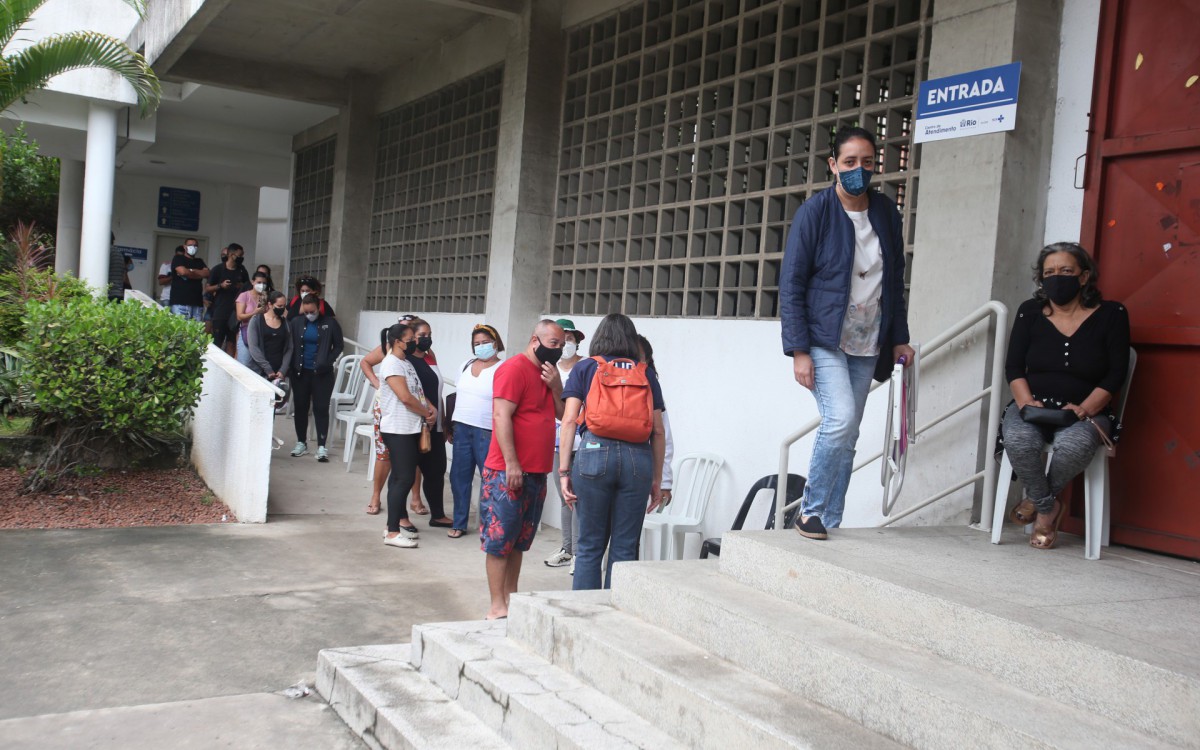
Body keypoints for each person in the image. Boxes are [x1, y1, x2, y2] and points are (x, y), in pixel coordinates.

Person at [780, 126, 914, 541]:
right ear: (833, 165)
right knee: (838, 420)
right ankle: (810, 510)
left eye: (868, 162)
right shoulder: (815, 212)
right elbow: (792, 283)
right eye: (850, 161)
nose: (859, 169)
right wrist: (799, 349)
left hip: (868, 340)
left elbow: (895, 280)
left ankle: (828, 519)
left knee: (850, 430)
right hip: (824, 339)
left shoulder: (886, 213)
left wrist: (899, 337)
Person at [1001, 242, 1130, 550]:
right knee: (1020, 440)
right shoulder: (1029, 312)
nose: (1057, 277)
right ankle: (1048, 507)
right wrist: (1025, 403)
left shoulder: (1113, 314)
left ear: (1084, 277)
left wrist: (1084, 409)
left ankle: (1037, 505)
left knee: (1073, 444)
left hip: (1087, 411)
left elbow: (1116, 374)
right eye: (1049, 272)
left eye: (1066, 271)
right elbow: (1014, 366)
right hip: (1032, 407)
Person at [559, 314, 666, 590]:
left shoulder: (585, 368)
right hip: (638, 459)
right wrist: (657, 479)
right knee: (625, 547)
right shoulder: (645, 372)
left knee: (589, 545)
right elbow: (658, 431)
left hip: (594, 453)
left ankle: (584, 617)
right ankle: (616, 616)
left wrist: (563, 471)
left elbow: (569, 420)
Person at [481, 320, 565, 619]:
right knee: (499, 539)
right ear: (535, 340)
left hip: (536, 471)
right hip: (507, 472)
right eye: (554, 343)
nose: (558, 350)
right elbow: (501, 416)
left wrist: (557, 386)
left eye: (561, 346)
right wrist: (512, 463)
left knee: (519, 540)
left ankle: (511, 597)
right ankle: (496, 604)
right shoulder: (514, 369)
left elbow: (561, 412)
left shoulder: (547, 373)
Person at [378, 323, 438, 549]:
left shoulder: (405, 363)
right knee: (404, 478)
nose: (414, 341)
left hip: (410, 427)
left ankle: (392, 525)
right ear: (397, 342)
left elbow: (416, 392)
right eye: (410, 338)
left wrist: (429, 409)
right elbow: (405, 397)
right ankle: (392, 532)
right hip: (397, 428)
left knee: (399, 479)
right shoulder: (392, 363)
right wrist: (425, 413)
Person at [448, 324, 504, 538]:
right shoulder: (465, 365)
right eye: (477, 344)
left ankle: (488, 525)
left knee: (488, 479)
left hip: (487, 430)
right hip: (461, 426)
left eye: (485, 343)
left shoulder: (503, 368)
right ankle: (459, 522)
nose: (481, 347)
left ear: (496, 343)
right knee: (458, 477)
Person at [544, 318, 586, 569]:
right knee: (564, 497)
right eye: (561, 340)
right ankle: (567, 549)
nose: (566, 344)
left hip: (581, 443)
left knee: (578, 498)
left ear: (577, 341)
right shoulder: (549, 368)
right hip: (555, 442)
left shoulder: (586, 367)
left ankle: (581, 553)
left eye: (569, 339)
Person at [407, 318, 453, 527]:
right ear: (411, 337)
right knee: (407, 471)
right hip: (415, 422)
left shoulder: (429, 357)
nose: (427, 340)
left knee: (436, 469)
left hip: (436, 424)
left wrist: (443, 418)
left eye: (430, 335)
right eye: (422, 336)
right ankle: (400, 518)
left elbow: (437, 388)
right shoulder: (405, 360)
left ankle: (437, 514)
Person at [288, 294, 344, 462]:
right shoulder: (296, 323)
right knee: (300, 407)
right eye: (306, 312)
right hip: (300, 372)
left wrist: (328, 360)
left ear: (318, 307)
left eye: (312, 311)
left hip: (322, 373)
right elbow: (290, 345)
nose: (309, 314)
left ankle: (321, 446)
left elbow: (339, 345)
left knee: (320, 408)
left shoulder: (330, 323)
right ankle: (301, 442)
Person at [206, 242, 250, 355]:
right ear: (231, 254)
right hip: (220, 311)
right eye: (239, 255)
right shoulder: (218, 269)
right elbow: (207, 288)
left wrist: (241, 286)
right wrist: (220, 286)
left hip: (235, 312)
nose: (241, 258)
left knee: (231, 343)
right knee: (217, 342)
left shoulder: (242, 270)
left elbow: (248, 287)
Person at [247, 290, 292, 381]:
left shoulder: (286, 324)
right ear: (270, 304)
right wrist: (268, 369)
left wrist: (283, 370)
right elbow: (253, 347)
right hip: (260, 371)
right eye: (279, 306)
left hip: (279, 373)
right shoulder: (256, 321)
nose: (282, 308)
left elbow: (290, 348)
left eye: (284, 306)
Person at [235, 271, 270, 366]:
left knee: (259, 365)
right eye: (259, 282)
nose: (261, 285)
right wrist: (255, 312)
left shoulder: (265, 296)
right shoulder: (244, 296)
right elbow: (239, 316)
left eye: (264, 283)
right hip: (246, 332)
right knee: (244, 362)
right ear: (252, 282)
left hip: (262, 333)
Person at [169, 239, 209, 321]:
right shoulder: (178, 258)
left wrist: (190, 271)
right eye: (190, 245)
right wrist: (198, 274)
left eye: (195, 246)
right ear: (184, 247)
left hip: (197, 303)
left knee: (196, 332)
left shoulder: (199, 261)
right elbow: (183, 272)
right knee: (180, 332)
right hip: (180, 302)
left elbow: (207, 273)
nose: (193, 247)